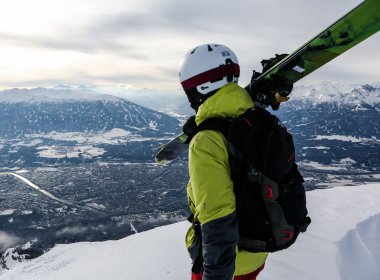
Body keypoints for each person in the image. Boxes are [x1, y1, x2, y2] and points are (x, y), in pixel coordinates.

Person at [179, 44, 268, 280]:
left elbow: (218, 218)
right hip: (257, 251)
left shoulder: (206, 141)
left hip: (229, 263)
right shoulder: (253, 118)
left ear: (199, 87)